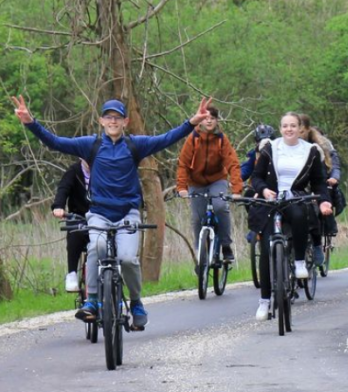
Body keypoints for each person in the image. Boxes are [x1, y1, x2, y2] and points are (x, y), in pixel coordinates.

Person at [12, 95, 212, 328]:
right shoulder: (91, 145)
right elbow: (55, 142)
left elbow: (166, 139)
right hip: (99, 213)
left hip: (128, 213)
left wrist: (191, 122)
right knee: (95, 248)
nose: (113, 121)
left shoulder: (135, 145)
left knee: (127, 259)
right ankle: (92, 302)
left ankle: (136, 302)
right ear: (101, 120)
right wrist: (30, 122)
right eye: (109, 117)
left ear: (126, 122)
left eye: (117, 118)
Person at [250, 112, 333, 321]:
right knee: (267, 248)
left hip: (295, 196)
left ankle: (299, 263)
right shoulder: (271, 148)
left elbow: (319, 181)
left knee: (299, 213)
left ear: (300, 128)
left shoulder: (310, 151)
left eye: (293, 126)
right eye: (285, 126)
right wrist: (264, 190)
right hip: (271, 199)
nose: (289, 129)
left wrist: (324, 200)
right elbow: (257, 177)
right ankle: (264, 302)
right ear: (280, 128)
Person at [176, 105, 242, 262]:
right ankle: (201, 250)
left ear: (217, 120)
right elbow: (183, 163)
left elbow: (232, 163)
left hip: (217, 180)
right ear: (201, 120)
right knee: (197, 217)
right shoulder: (193, 138)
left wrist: (237, 189)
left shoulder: (221, 139)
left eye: (212, 118)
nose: (209, 121)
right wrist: (182, 188)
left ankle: (226, 246)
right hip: (196, 182)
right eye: (206, 118)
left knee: (220, 207)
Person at [299, 115, 341, 266]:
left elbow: (330, 168)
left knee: (315, 208)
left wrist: (334, 178)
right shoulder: (281, 148)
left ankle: (319, 241)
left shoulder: (319, 147)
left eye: (301, 130)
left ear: (307, 130)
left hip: (318, 182)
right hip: (294, 188)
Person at [51, 159, 91, 292]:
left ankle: (113, 272)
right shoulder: (73, 171)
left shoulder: (104, 169)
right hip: (78, 215)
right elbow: (63, 189)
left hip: (100, 215)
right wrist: (58, 207)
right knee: (75, 233)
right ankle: (72, 273)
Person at [241, 124, 275, 243]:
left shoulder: (280, 152)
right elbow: (245, 170)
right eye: (259, 141)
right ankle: (255, 227)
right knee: (248, 196)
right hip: (258, 188)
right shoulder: (253, 155)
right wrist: (235, 179)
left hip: (276, 188)